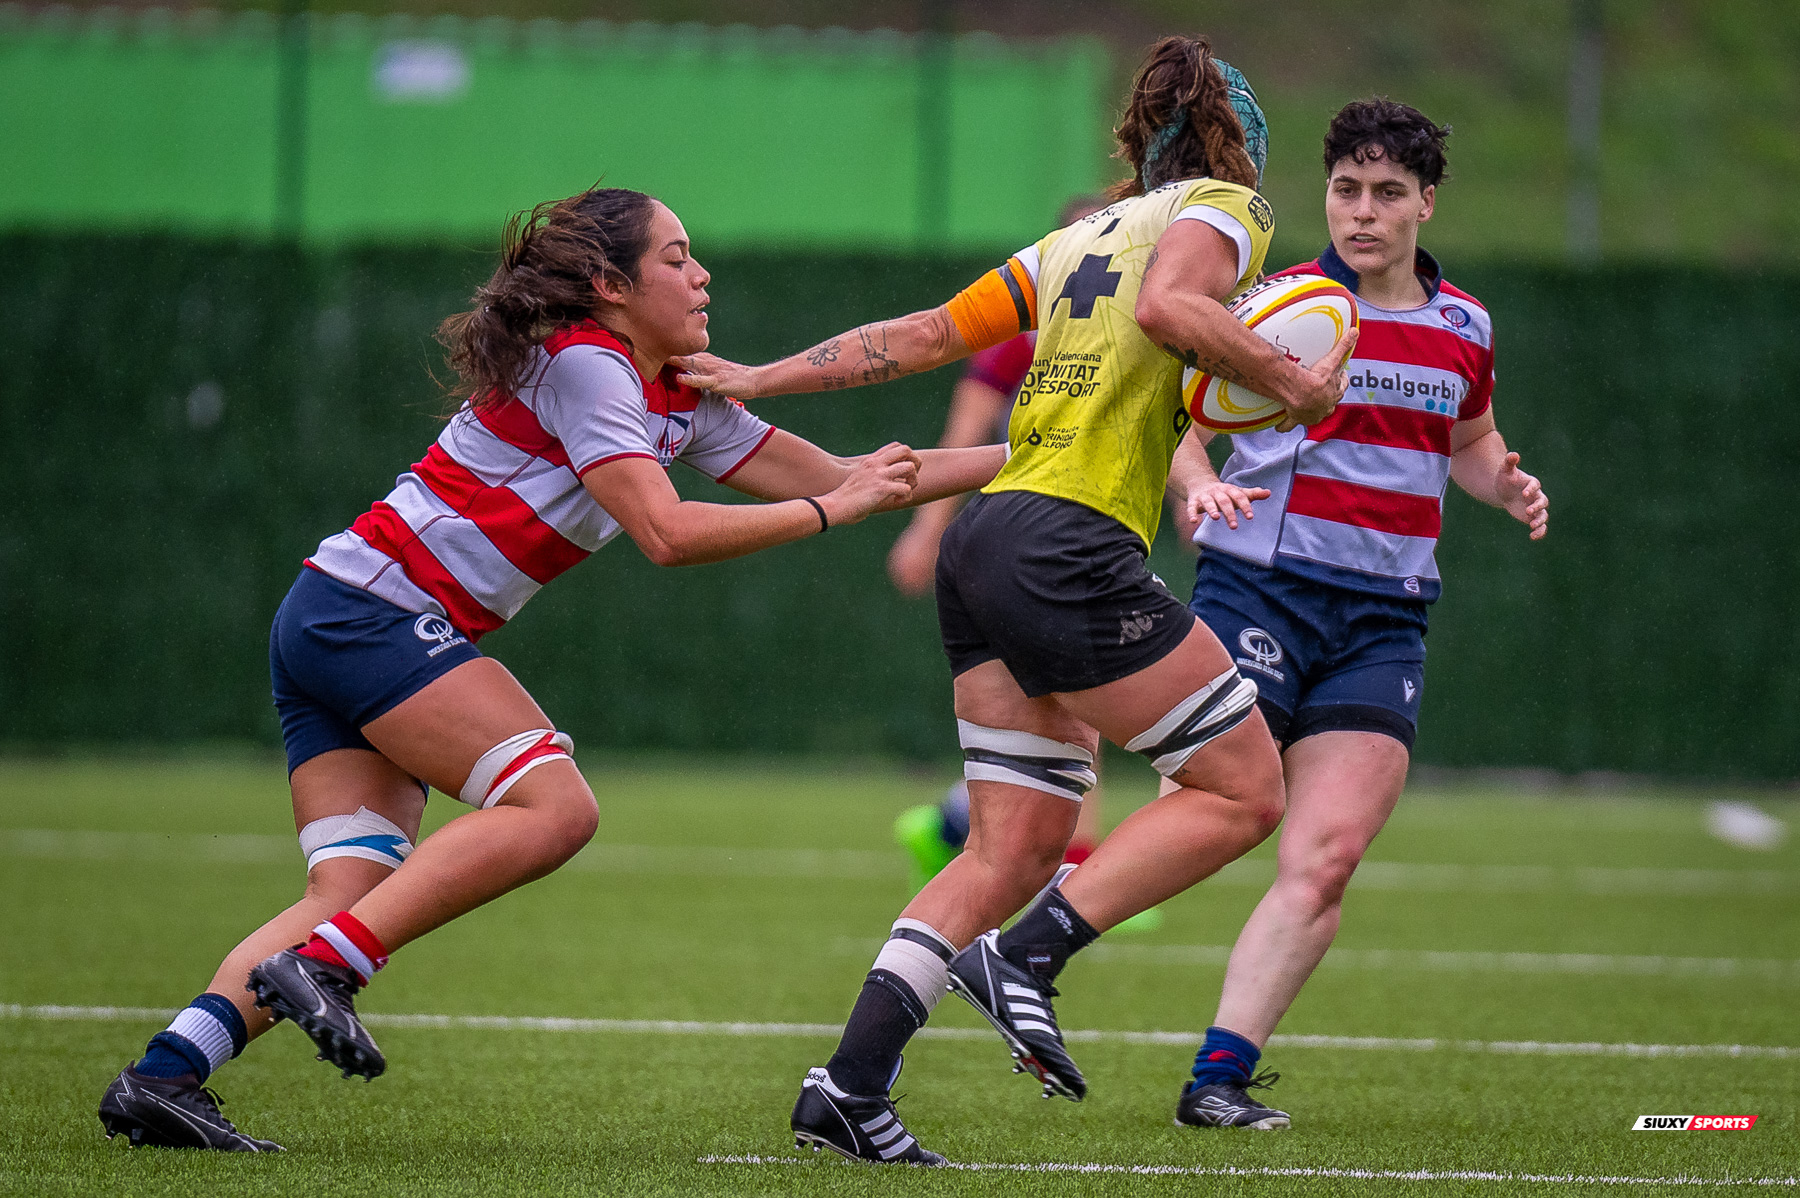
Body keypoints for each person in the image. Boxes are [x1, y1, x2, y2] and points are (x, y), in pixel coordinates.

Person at [95, 186, 1005, 1153]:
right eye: (677, 257)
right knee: (554, 808)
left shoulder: (672, 392)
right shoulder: (587, 364)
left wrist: (1038, 453)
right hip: (374, 618)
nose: (702, 275)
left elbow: (850, 473)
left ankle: (166, 1073)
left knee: (346, 895)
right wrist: (838, 511)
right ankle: (328, 968)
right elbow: (669, 532)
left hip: (335, 613)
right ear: (610, 285)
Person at [680, 36, 1353, 1165]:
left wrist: (763, 375)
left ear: (1138, 140)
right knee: (1243, 787)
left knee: (1014, 842)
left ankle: (847, 1086)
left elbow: (928, 337)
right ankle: (1027, 959)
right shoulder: (1232, 209)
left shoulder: (1076, 237)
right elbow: (1174, 311)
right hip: (1067, 545)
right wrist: (1296, 383)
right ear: (1240, 145)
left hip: (990, 538)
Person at [1144, 98, 1549, 1129]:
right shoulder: (1280, 301)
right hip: (1261, 586)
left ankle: (1217, 1079)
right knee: (1204, 807)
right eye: (1345, 191)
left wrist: (1505, 483)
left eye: (1387, 194)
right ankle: (1029, 944)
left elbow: (1469, 442)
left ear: (1426, 203)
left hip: (1387, 617)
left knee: (1323, 859)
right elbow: (1172, 415)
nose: (1363, 213)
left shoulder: (1466, 326)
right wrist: (1194, 483)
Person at [888, 194, 1142, 899]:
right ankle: (1071, 873)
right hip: (1023, 546)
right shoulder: (1021, 335)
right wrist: (924, 527)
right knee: (1079, 704)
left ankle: (951, 826)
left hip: (1093, 533)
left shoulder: (1140, 330)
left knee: (1065, 710)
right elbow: (961, 438)